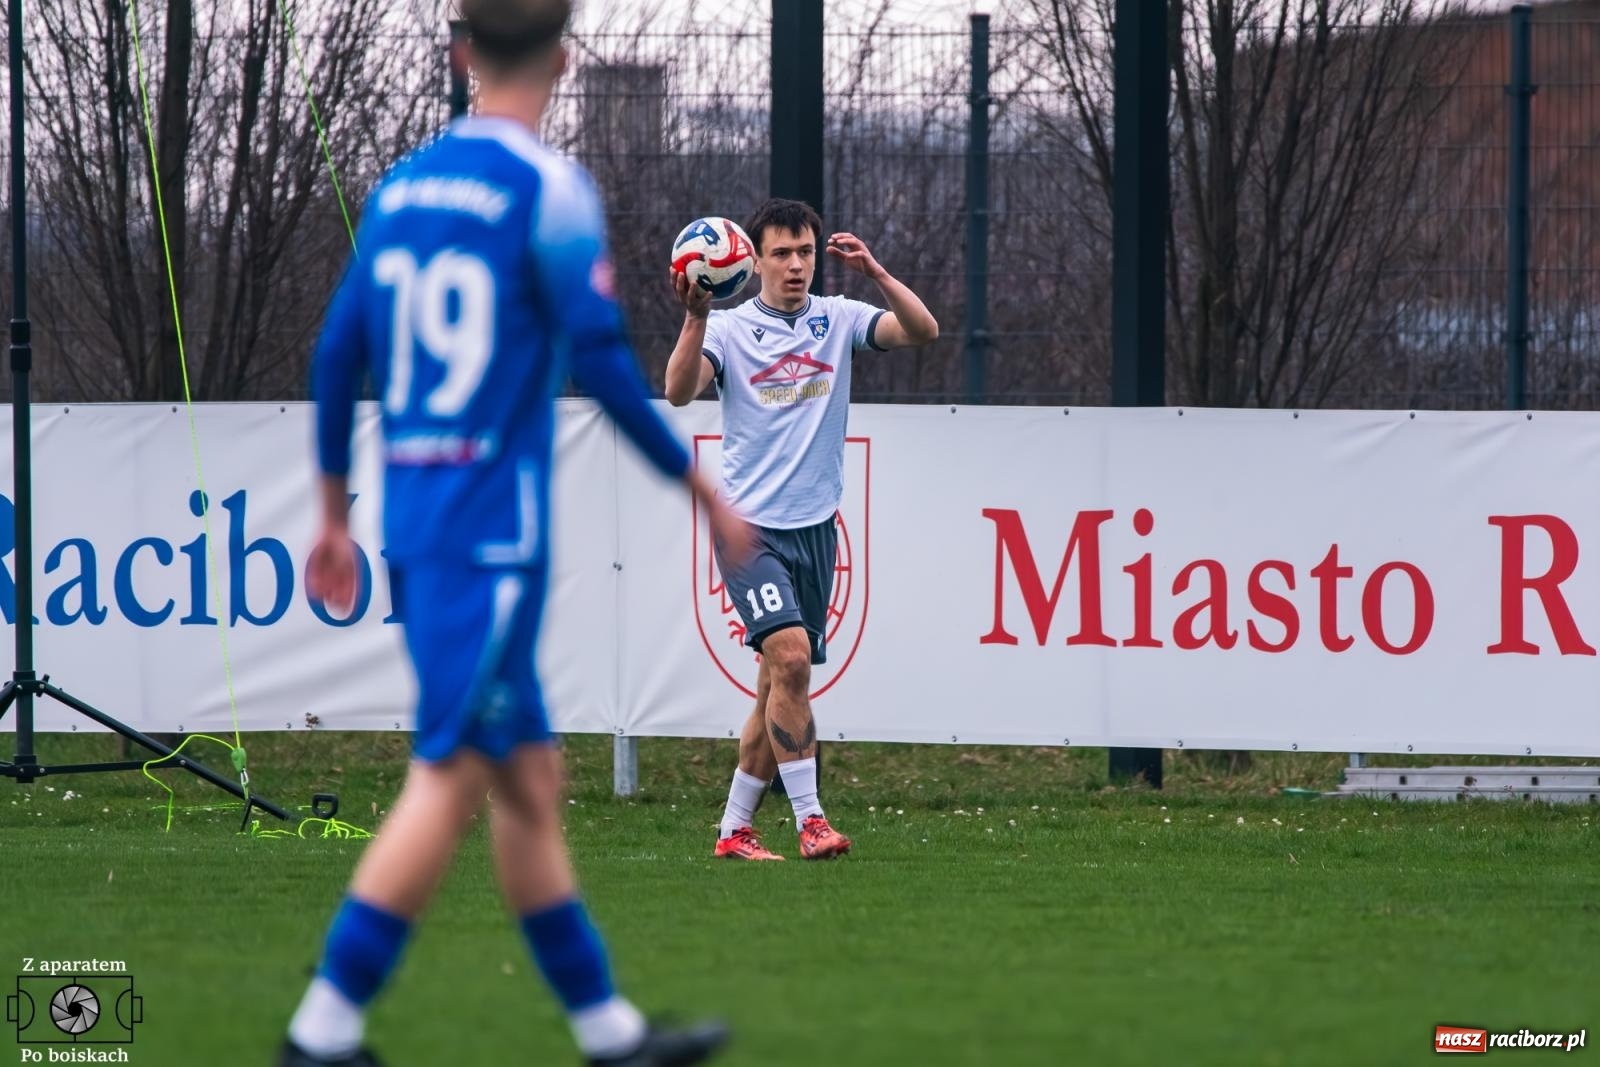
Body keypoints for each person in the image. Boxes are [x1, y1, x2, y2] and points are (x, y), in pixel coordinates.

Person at [281, 2, 749, 1064]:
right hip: (490, 540)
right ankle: (322, 1028)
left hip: (421, 521)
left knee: (531, 781)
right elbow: (602, 364)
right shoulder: (548, 193)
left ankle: (608, 1029)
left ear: (460, 56)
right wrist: (701, 489)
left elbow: (333, 352)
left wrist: (326, 512)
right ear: (564, 59)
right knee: (447, 780)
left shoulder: (400, 191)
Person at [664, 198, 939, 861]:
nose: (796, 264)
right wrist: (695, 319)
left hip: (816, 532)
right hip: (747, 530)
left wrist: (875, 271)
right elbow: (676, 392)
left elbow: (923, 330)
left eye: (806, 252)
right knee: (789, 659)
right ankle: (811, 818)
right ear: (752, 259)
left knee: (775, 685)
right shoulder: (728, 331)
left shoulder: (836, 318)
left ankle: (733, 830)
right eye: (782, 252)